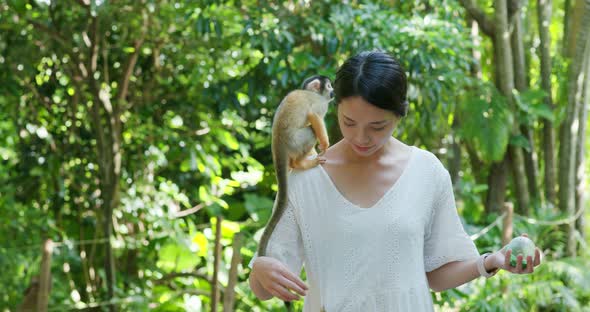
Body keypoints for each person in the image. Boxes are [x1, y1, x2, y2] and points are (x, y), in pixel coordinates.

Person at [247, 51, 542, 311]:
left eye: (378, 126)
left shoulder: (426, 172)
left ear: (400, 114)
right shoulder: (305, 178)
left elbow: (436, 274)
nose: (361, 138)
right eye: (349, 122)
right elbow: (264, 288)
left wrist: (492, 261)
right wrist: (259, 270)